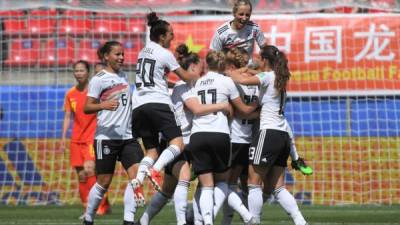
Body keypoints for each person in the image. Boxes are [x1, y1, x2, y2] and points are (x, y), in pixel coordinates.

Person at [139, 44, 231, 225]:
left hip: (189, 141)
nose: (203, 71)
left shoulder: (190, 85)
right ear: (194, 67)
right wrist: (222, 106)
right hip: (178, 140)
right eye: (201, 68)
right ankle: (182, 221)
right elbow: (196, 108)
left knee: (168, 189)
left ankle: (143, 220)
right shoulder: (185, 87)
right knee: (186, 177)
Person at [229, 45, 309, 225]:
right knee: (277, 187)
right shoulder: (280, 80)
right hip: (282, 136)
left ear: (264, 60)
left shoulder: (267, 76)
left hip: (268, 134)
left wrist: (231, 71)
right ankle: (300, 221)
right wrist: (250, 68)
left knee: (253, 182)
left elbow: (240, 80)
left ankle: (254, 221)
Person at [189, 50, 258, 225]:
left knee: (206, 185)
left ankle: (205, 221)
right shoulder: (226, 81)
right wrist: (259, 107)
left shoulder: (195, 83)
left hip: (197, 134)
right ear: (222, 65)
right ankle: (247, 215)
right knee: (223, 183)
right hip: (220, 135)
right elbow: (242, 109)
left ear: (206, 64)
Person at [131, 12, 197, 192]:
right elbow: (186, 77)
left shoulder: (142, 52)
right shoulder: (165, 53)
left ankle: (138, 178)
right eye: (170, 34)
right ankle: (156, 170)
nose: (172, 37)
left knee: (152, 150)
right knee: (178, 143)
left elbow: (155, 78)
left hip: (138, 105)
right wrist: (197, 76)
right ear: (161, 36)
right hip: (158, 103)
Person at [82, 41, 144, 225]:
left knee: (137, 176)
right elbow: (87, 107)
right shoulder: (99, 79)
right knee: (104, 181)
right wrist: (103, 105)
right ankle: (88, 218)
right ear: (106, 56)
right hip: (106, 138)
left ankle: (128, 220)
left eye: (123, 54)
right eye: (117, 54)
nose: (121, 57)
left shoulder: (124, 76)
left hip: (127, 137)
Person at [61, 60, 111, 219]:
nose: (79, 73)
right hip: (76, 139)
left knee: (90, 170)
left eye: (82, 70)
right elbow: (68, 116)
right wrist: (63, 138)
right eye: (76, 70)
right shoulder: (70, 94)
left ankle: (98, 207)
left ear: (88, 72)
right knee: (81, 175)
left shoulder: (95, 91)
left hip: (92, 137)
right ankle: (88, 207)